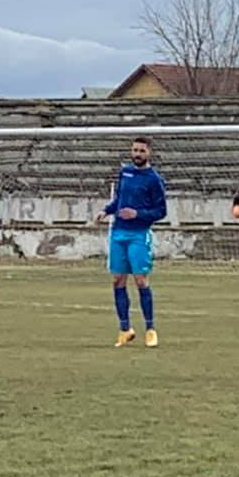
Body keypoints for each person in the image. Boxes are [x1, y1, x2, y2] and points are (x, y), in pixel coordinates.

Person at [96, 136, 167, 348]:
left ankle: (150, 329)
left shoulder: (154, 180)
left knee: (140, 281)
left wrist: (137, 214)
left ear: (149, 153)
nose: (137, 154)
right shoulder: (125, 172)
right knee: (118, 280)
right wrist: (106, 210)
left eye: (141, 151)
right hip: (118, 233)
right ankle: (125, 329)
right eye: (135, 150)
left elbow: (161, 211)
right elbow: (119, 199)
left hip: (138, 234)